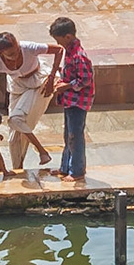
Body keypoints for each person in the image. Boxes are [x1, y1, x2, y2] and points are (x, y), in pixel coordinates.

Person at [0, 31, 60, 169]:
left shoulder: (28, 47)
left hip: (38, 83)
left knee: (16, 119)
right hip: (17, 86)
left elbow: (59, 50)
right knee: (13, 137)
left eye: (17, 50)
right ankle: (17, 168)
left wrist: (51, 77)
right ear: (1, 53)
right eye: (11, 54)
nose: (16, 55)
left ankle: (42, 151)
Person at [48, 16, 92, 181]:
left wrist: (66, 86)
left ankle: (77, 171)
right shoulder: (69, 52)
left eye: (58, 40)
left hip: (78, 102)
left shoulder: (79, 56)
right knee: (68, 135)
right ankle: (65, 167)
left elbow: (85, 80)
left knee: (75, 136)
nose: (58, 44)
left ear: (67, 37)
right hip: (69, 100)